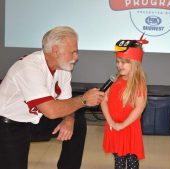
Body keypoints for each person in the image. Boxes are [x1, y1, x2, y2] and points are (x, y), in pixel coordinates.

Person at [0, 26, 104, 169]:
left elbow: (66, 103)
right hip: (9, 125)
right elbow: (52, 111)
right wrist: (83, 100)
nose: (76, 57)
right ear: (56, 51)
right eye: (73, 52)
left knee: (77, 122)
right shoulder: (30, 67)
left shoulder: (64, 67)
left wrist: (69, 119)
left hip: (33, 121)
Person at [101, 36, 149, 169]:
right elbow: (103, 101)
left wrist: (122, 125)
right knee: (118, 159)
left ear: (135, 63)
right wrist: (111, 122)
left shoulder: (138, 84)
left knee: (132, 159)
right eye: (117, 61)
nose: (119, 65)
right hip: (114, 126)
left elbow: (139, 108)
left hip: (129, 128)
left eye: (124, 62)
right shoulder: (113, 80)